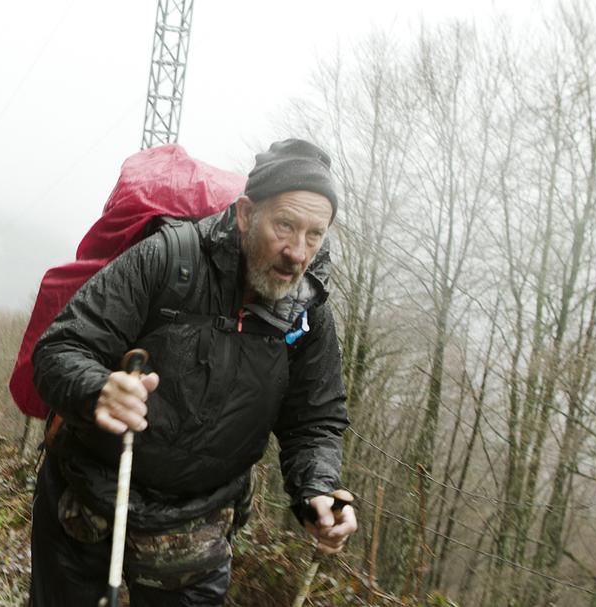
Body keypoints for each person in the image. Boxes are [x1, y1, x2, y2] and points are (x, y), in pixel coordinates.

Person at [28, 139, 357, 606]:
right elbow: (60, 348)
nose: (297, 252)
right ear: (246, 215)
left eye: (315, 235)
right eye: (285, 226)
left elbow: (314, 420)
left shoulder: (308, 313)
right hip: (91, 502)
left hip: (198, 531)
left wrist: (317, 490)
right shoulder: (167, 259)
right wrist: (98, 389)